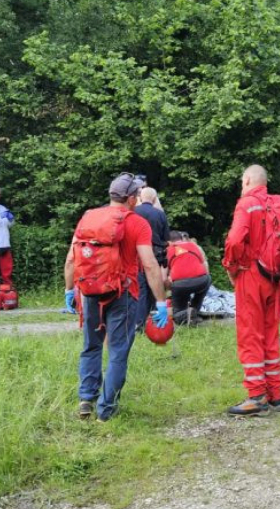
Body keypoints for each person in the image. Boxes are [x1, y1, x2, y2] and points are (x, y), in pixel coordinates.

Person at [72, 173, 167, 422]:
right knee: (117, 351)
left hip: (89, 290)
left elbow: (72, 258)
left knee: (91, 345)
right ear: (132, 199)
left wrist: (70, 291)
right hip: (123, 293)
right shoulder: (136, 223)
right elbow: (149, 264)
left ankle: (86, 399)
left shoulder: (90, 217)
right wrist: (160, 301)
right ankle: (106, 410)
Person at [223, 165, 280, 416]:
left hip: (250, 275)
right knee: (270, 334)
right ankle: (275, 395)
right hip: (274, 276)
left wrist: (230, 265)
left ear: (247, 180)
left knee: (250, 334)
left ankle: (256, 396)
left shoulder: (247, 204)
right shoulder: (275, 203)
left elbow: (236, 239)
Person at [134, 186, 170, 329]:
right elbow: (166, 237)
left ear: (140, 198)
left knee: (141, 288)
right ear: (154, 199)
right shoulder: (159, 214)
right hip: (155, 255)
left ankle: (139, 323)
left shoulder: (134, 212)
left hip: (138, 255)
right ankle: (152, 320)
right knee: (153, 287)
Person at [166, 230, 211, 325]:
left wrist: (170, 288)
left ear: (168, 242)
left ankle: (183, 314)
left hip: (180, 285)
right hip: (201, 281)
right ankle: (194, 309)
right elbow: (204, 266)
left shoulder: (168, 250)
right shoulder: (193, 246)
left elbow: (165, 276)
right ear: (181, 238)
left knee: (178, 314)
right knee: (208, 279)